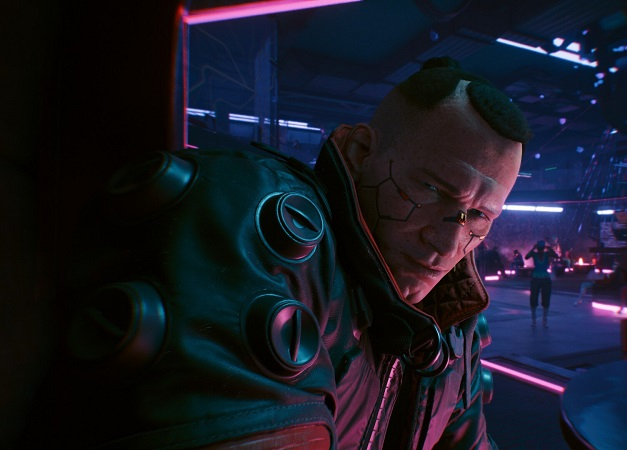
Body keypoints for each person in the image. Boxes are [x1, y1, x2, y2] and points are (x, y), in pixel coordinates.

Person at [45, 56, 531, 449]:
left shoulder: (453, 323)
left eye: (479, 216)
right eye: (430, 189)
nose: (447, 244)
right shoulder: (256, 223)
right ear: (361, 153)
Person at [525, 240, 558, 327]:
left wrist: (550, 249)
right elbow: (526, 257)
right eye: (539, 248)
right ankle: (534, 319)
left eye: (541, 248)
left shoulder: (546, 254)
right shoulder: (534, 254)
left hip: (544, 278)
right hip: (537, 278)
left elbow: (556, 256)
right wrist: (533, 249)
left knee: (545, 298)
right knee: (533, 298)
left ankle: (544, 319)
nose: (540, 250)